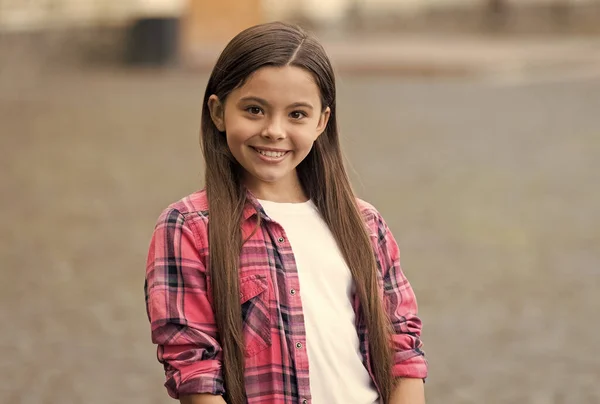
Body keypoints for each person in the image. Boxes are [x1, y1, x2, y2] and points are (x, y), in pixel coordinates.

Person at [144, 21, 427, 404]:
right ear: (218, 112)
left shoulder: (365, 225)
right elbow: (194, 367)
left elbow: (401, 350)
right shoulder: (190, 228)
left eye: (296, 114)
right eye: (255, 110)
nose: (274, 131)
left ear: (321, 122)